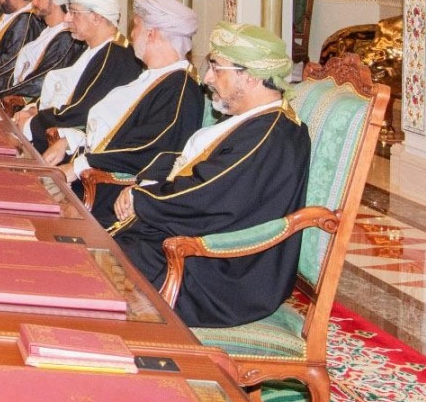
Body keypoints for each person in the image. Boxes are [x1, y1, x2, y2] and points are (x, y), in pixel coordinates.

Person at [111, 23, 311, 328]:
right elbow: (196, 166)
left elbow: (207, 196)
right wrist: (148, 183)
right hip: (206, 248)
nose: (207, 79)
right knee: (101, 246)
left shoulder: (270, 134)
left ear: (250, 76)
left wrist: (142, 199)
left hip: (223, 276)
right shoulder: (256, 121)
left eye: (216, 68)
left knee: (105, 260)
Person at [43, 0, 207, 224]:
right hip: (89, 175)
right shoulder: (153, 76)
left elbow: (149, 150)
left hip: (110, 194)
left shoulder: (180, 88)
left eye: (136, 26)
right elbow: (116, 132)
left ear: (152, 34)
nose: (131, 34)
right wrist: (71, 140)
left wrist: (80, 165)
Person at [15, 0, 143, 154]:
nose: (67, 18)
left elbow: (81, 112)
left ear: (96, 17)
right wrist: (34, 108)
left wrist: (33, 123)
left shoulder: (116, 58)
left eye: (74, 12)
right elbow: (65, 90)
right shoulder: (91, 47)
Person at [0, 0, 84, 101]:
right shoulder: (47, 30)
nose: (34, 2)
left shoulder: (65, 37)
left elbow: (41, 81)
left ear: (56, 1)